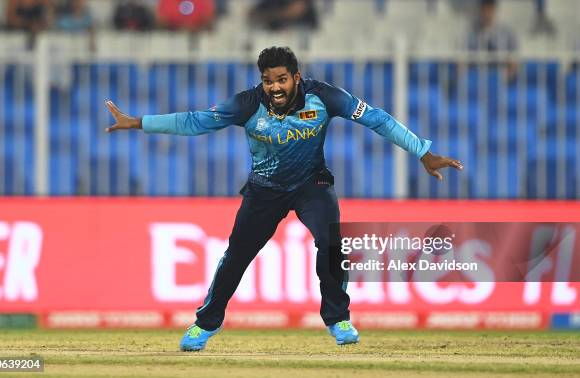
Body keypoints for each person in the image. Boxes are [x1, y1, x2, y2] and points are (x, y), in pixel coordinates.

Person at [105, 46, 463, 351]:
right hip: (264, 190)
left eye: (281, 79)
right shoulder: (247, 104)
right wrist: (138, 122)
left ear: (296, 77)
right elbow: (195, 121)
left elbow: (377, 119)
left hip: (312, 185)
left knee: (332, 242)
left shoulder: (323, 96)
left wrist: (422, 152)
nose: (274, 87)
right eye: (267, 80)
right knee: (237, 255)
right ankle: (206, 324)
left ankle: (338, 320)